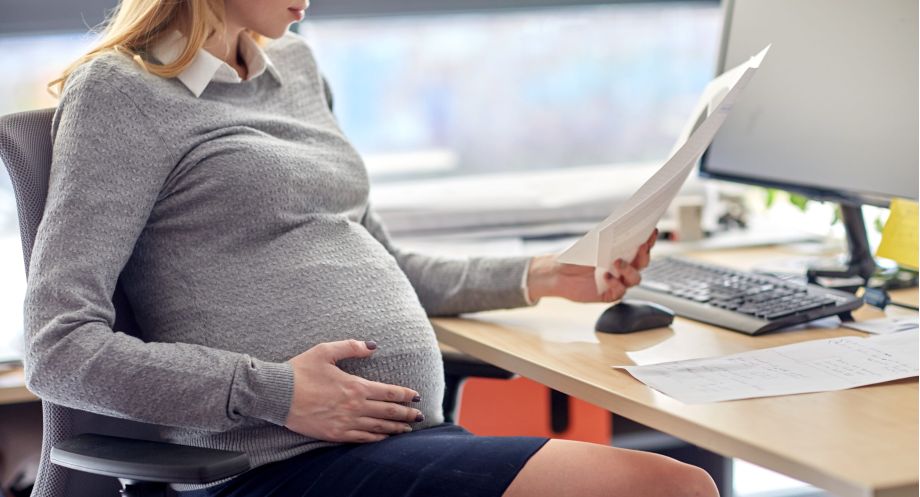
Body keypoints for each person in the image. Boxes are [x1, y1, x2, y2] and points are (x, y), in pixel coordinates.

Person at [24, 0, 719, 496]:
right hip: (271, 464)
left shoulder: (294, 67)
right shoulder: (122, 92)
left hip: (399, 443)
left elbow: (379, 256)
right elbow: (59, 349)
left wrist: (544, 276)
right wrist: (277, 391)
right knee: (671, 487)